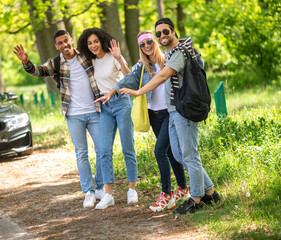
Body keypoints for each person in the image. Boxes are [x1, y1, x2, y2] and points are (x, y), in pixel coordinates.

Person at [119, 18, 220, 214]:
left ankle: (196, 199)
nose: (162, 36)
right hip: (174, 111)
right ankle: (211, 192)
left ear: (173, 31)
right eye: (159, 34)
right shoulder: (171, 52)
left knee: (189, 155)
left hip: (184, 110)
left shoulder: (180, 52)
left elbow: (163, 76)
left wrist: (139, 93)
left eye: (165, 32)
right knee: (180, 155)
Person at [96, 30, 190, 212]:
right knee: (170, 153)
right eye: (142, 44)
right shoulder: (142, 66)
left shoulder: (168, 60)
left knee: (160, 151)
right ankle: (182, 188)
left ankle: (166, 194)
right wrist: (111, 92)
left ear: (155, 42)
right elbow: (128, 79)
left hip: (170, 112)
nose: (146, 46)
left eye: (149, 42)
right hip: (154, 114)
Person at [13, 30, 105, 208]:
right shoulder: (56, 63)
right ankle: (89, 192)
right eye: (60, 43)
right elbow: (39, 71)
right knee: (81, 154)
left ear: (71, 40)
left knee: (102, 151)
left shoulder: (86, 55)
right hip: (74, 115)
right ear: (56, 46)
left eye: (66, 41)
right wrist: (26, 62)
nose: (64, 45)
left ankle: (100, 187)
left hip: (95, 111)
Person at [77, 27, 138, 209]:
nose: (93, 45)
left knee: (128, 147)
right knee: (103, 151)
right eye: (89, 43)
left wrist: (119, 57)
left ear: (102, 41)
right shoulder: (92, 62)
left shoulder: (113, 56)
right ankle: (108, 194)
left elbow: (130, 76)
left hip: (122, 102)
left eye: (95, 41)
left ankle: (132, 190)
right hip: (104, 107)